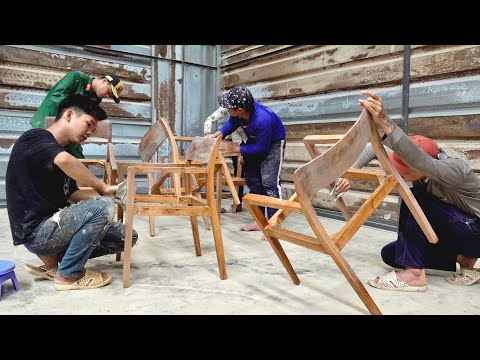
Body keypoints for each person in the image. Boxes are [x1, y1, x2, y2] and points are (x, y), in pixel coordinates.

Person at [6, 94, 138, 291]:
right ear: (69, 115)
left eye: (93, 130)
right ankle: (68, 274)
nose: (89, 133)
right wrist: (101, 189)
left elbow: (71, 194)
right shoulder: (36, 138)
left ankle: (56, 261)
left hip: (53, 230)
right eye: (88, 124)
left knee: (126, 236)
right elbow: (65, 161)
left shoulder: (57, 151)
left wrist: (111, 198)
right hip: (37, 232)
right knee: (102, 208)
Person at [356, 90, 480, 292]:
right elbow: (373, 149)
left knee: (413, 197)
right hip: (460, 234)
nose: (401, 173)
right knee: (391, 254)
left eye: (406, 169)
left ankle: (413, 274)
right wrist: (346, 174)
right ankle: (464, 259)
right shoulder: (419, 170)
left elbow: (419, 160)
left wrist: (383, 120)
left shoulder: (454, 169)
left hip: (476, 234)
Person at [208, 85, 286, 232]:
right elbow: (232, 123)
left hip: (272, 144)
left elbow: (262, 148)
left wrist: (237, 148)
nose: (226, 109)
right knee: (254, 182)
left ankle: (274, 226)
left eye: (228, 107)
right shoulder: (240, 113)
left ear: (240, 110)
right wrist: (217, 134)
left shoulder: (262, 119)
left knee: (269, 183)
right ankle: (259, 221)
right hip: (254, 140)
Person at [30, 70, 124, 159]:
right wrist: (77, 106)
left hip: (71, 131)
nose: (107, 96)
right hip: (46, 124)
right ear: (104, 81)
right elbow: (56, 96)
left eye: (111, 96)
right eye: (109, 92)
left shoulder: (96, 98)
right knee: (44, 157)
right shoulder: (76, 77)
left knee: (79, 159)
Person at [204, 106, 247, 213]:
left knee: (253, 173)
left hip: (249, 141)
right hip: (237, 143)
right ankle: (238, 204)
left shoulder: (246, 111)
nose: (228, 110)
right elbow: (209, 119)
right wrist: (208, 134)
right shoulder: (225, 109)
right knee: (238, 173)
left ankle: (261, 204)